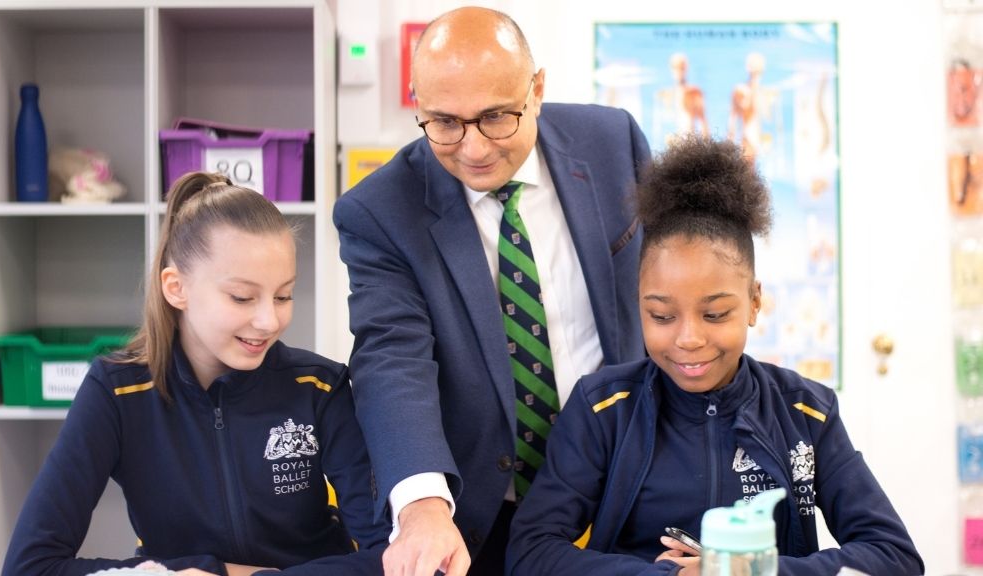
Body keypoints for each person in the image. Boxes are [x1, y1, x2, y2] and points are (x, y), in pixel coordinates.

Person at [506, 135, 924, 576]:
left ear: (754, 302)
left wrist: (751, 572)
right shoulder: (603, 409)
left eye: (715, 313)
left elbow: (894, 557)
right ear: (640, 304)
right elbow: (531, 552)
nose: (688, 338)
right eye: (662, 316)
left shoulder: (806, 414)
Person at [332, 6, 651, 576]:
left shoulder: (611, 144)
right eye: (445, 123)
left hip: (628, 489)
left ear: (538, 89)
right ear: (418, 105)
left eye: (497, 117)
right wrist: (423, 505)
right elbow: (391, 358)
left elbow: (672, 286)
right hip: (483, 515)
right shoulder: (379, 211)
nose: (474, 148)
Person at [3, 172, 390, 576]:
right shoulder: (117, 392)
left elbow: (395, 555)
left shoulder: (320, 387)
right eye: (242, 297)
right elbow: (30, 567)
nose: (268, 320)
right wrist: (207, 570)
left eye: (283, 295)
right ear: (176, 288)